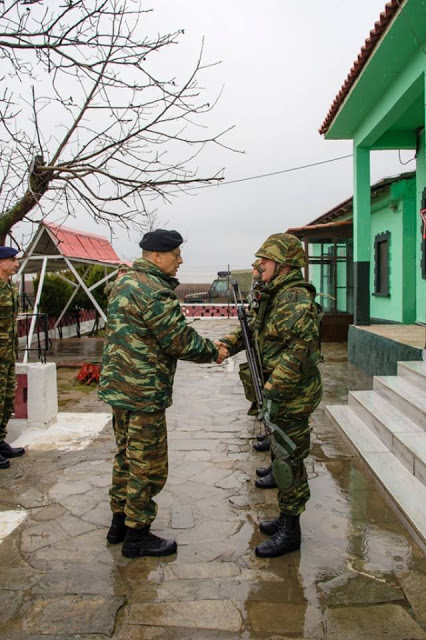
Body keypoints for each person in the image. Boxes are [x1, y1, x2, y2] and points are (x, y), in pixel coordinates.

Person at [99, 229, 228, 558]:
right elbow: (177, 339)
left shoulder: (123, 282)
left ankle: (119, 521)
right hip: (144, 390)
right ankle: (137, 535)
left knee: (125, 456)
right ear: (156, 256)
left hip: (119, 387)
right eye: (176, 254)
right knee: (147, 464)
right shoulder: (155, 289)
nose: (180, 260)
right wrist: (213, 351)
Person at [219, 233, 322, 558]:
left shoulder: (294, 299)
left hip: (290, 396)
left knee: (289, 461)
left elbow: (300, 353)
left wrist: (272, 391)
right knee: (281, 457)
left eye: (264, 260)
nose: (258, 265)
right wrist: (226, 344)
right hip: (278, 395)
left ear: (284, 263)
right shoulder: (276, 295)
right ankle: (285, 518)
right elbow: (253, 329)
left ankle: (292, 531)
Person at [0, 246, 25, 469]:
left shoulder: (9, 286)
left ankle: (0, 442)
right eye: (12, 260)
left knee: (7, 399)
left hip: (7, 354)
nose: (16, 264)